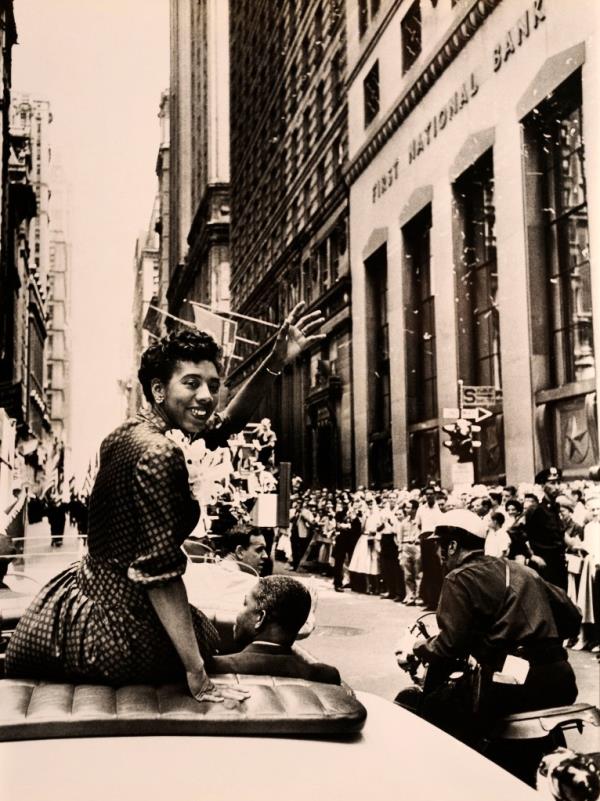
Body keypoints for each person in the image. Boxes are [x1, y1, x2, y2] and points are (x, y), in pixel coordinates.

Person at [6, 300, 324, 703]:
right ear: (159, 389)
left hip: (73, 606)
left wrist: (276, 361)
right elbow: (160, 573)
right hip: (117, 636)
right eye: (191, 383)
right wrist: (198, 674)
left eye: (212, 383)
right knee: (227, 655)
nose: (206, 396)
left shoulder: (130, 434)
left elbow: (226, 423)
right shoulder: (160, 452)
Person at [409, 509, 579, 746]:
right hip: (561, 679)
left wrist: (417, 648)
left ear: (453, 546)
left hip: (512, 688)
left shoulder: (459, 578)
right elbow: (573, 618)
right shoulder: (521, 570)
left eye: (441, 546)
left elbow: (450, 646)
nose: (439, 553)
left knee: (432, 707)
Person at [210, 575, 341, 684]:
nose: (238, 614)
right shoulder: (326, 675)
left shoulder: (213, 667)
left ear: (260, 618)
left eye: (245, 604)